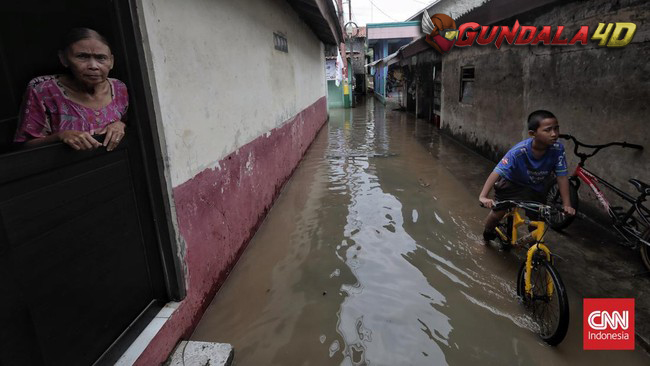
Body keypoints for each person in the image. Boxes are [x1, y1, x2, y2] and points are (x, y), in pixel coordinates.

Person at [14, 28, 128, 151]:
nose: (93, 66)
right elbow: (25, 146)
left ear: (111, 62)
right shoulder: (43, 91)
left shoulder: (118, 88)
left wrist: (120, 125)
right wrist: (60, 136)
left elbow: (129, 122)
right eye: (82, 56)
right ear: (63, 58)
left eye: (101, 58)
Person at [478, 110, 576, 242]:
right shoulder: (519, 151)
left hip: (537, 187)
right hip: (512, 184)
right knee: (498, 213)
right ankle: (486, 235)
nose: (554, 134)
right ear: (532, 134)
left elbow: (562, 176)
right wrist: (483, 196)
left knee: (537, 220)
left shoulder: (558, 149)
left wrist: (567, 204)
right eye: (548, 130)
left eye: (556, 129)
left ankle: (534, 247)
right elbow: (498, 171)